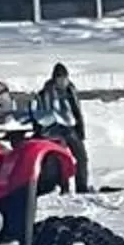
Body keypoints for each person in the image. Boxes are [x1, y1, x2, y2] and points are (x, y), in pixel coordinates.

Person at [31, 60, 90, 188]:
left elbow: (77, 111)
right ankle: (62, 187)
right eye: (59, 78)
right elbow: (40, 114)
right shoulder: (46, 93)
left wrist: (80, 129)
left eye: (64, 78)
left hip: (70, 128)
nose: (62, 81)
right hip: (53, 130)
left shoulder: (71, 92)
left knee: (82, 157)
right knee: (60, 160)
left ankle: (82, 186)